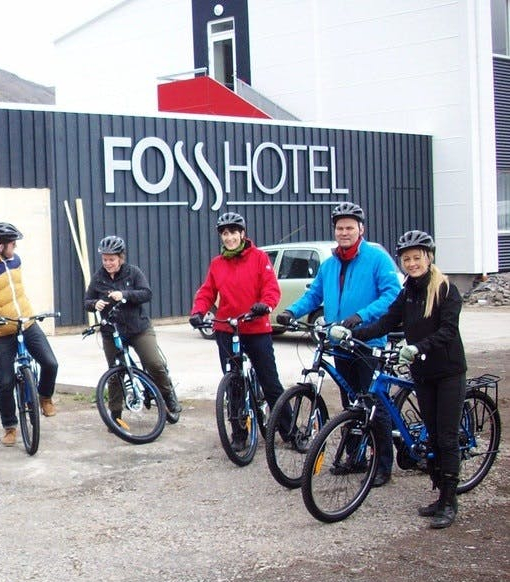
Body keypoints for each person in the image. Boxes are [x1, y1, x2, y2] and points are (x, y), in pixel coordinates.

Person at [334, 230, 467, 529]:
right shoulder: (407, 292)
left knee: (445, 438)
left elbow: (447, 332)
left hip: (448, 372)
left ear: (428, 257)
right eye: (406, 259)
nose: (412, 263)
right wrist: (353, 332)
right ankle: (439, 496)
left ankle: (450, 501)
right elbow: (386, 322)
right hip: (423, 373)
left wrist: (418, 347)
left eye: (417, 258)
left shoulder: (446, 289)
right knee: (432, 434)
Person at [276, 202, 401, 486]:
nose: (344, 232)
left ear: (361, 229)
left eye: (349, 228)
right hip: (340, 342)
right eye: (340, 228)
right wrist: (291, 311)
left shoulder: (376, 259)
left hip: (368, 342)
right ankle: (356, 458)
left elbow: (392, 294)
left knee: (373, 404)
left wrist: (361, 316)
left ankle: (383, 465)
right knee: (352, 404)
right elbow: (314, 295)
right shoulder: (330, 264)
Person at [189, 212, 284, 451]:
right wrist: (198, 311)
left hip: (255, 326)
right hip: (226, 329)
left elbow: (271, 288)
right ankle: (239, 433)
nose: (229, 237)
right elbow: (207, 291)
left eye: (233, 232)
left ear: (242, 234)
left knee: (270, 382)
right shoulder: (217, 263)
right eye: (224, 233)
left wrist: (266, 305)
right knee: (234, 384)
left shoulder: (259, 257)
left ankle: (289, 429)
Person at [0, 222, 60, 447]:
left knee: (50, 363)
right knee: (5, 381)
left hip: (26, 322)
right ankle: (10, 427)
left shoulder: (16, 260)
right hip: (0, 331)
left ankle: (44, 397)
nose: (15, 246)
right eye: (12, 243)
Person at [84, 234, 182, 426]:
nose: (108, 263)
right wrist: (96, 303)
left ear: (121, 258)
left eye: (111, 259)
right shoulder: (98, 278)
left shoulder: (133, 272)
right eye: (105, 259)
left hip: (138, 328)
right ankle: (116, 415)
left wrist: (124, 295)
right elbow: (86, 302)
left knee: (154, 363)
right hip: (111, 331)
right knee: (114, 373)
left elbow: (147, 293)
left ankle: (168, 395)